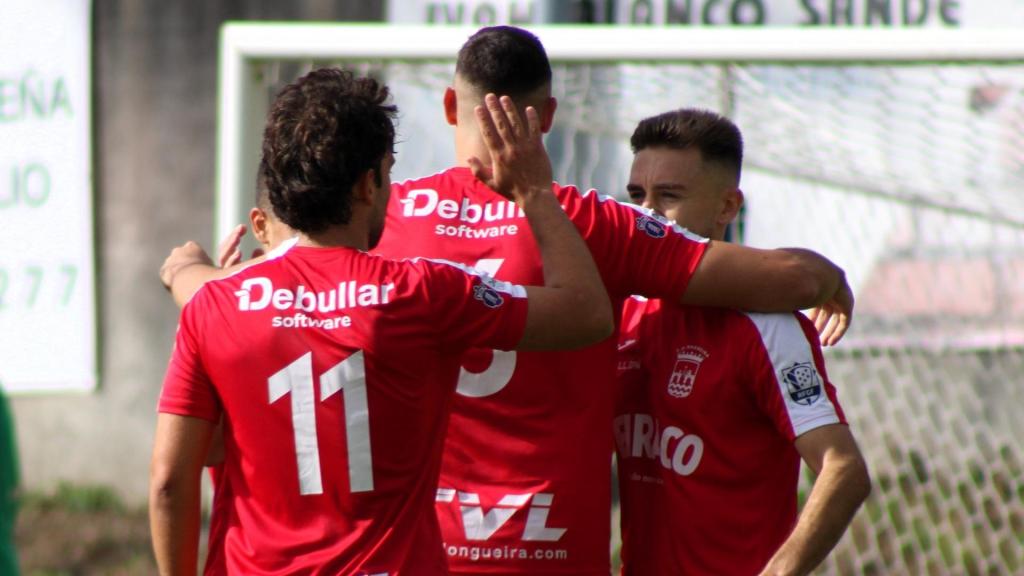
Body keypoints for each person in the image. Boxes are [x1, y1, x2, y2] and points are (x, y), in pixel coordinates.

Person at [162, 26, 854, 575]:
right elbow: (784, 279)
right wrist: (828, 279)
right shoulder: (586, 222)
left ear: (446, 106)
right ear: (547, 116)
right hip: (547, 550)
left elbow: (281, 289)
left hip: (415, 545)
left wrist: (196, 274)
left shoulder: (384, 220)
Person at [149, 67, 614, 575]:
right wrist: (536, 192)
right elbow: (586, 312)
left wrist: (187, 271)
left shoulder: (214, 305)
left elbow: (170, 481)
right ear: (369, 183)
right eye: (389, 173)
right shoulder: (424, 292)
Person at [615, 109, 871, 576]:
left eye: (669, 195)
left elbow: (844, 470)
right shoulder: (625, 315)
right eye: (637, 196)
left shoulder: (767, 325)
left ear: (727, 207)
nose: (646, 213)